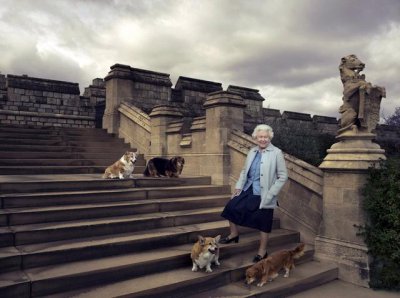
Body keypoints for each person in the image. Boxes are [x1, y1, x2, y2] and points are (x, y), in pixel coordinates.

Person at [220, 124, 288, 262]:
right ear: (256, 137)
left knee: (264, 221)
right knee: (231, 207)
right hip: (248, 187)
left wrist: (272, 193)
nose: (263, 139)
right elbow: (245, 171)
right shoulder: (252, 151)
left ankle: (262, 251)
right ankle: (234, 234)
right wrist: (238, 187)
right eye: (260, 137)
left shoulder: (276, 153)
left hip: (265, 193)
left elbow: (283, 176)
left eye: (265, 137)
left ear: (270, 138)